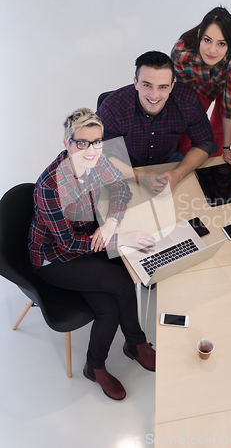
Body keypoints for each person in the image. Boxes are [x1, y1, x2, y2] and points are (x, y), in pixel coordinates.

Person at [28, 108, 156, 401]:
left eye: (97, 142)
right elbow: (69, 246)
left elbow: (121, 189)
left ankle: (118, 353)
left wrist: (111, 223)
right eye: (82, 142)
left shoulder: (97, 159)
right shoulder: (49, 187)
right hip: (53, 257)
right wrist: (123, 237)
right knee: (121, 284)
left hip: (88, 238)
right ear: (67, 143)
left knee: (115, 294)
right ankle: (118, 353)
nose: (91, 149)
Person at [97, 51, 218, 196]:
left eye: (162, 87)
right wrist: (140, 177)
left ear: (172, 86)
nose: (154, 95)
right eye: (147, 85)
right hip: (125, 166)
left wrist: (177, 174)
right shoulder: (113, 106)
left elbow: (205, 143)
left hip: (168, 160)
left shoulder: (188, 101)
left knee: (192, 202)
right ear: (135, 83)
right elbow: (100, 154)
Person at [171, 6, 231, 168]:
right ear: (199, 35)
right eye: (207, 40)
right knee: (189, 124)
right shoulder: (181, 53)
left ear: (229, 44)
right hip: (202, 84)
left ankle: (213, 168)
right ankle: (185, 164)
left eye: (221, 44)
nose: (212, 50)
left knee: (218, 128)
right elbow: (184, 99)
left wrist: (227, 148)